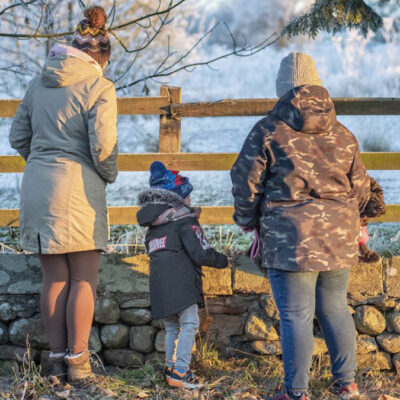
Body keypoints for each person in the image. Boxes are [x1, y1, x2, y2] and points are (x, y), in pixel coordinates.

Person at [230, 52, 370, 400]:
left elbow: (245, 180)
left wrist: (248, 222)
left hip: (290, 237)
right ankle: (347, 384)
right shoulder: (343, 133)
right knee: (336, 307)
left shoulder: (268, 130)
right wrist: (358, 222)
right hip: (339, 235)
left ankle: (296, 392)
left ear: (282, 90)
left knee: (296, 315)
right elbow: (362, 186)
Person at [9, 6, 117, 384]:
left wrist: (41, 162)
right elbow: (102, 147)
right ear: (101, 56)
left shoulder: (38, 83)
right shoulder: (99, 87)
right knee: (84, 279)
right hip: (79, 192)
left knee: (54, 280)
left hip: (37, 188)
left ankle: (55, 364)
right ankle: (79, 365)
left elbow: (17, 137)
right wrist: (108, 175)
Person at [137, 161, 230, 389]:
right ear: (177, 199)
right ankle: (181, 371)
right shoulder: (185, 223)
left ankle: (171, 368)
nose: (190, 202)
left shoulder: (153, 227)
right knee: (189, 323)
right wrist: (224, 260)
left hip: (159, 287)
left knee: (171, 326)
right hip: (182, 286)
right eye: (187, 198)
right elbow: (201, 252)